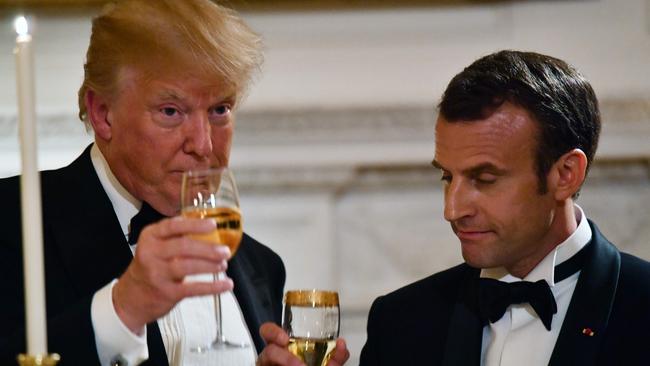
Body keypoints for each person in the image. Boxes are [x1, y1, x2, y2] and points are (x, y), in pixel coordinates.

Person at [0, 1, 347, 365]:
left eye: (220, 110)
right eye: (171, 111)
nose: (203, 145)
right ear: (103, 114)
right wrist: (122, 308)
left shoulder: (261, 265)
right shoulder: (14, 223)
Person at [359, 50, 650, 365]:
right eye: (447, 176)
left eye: (484, 179)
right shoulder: (400, 322)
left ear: (566, 174)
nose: (452, 210)